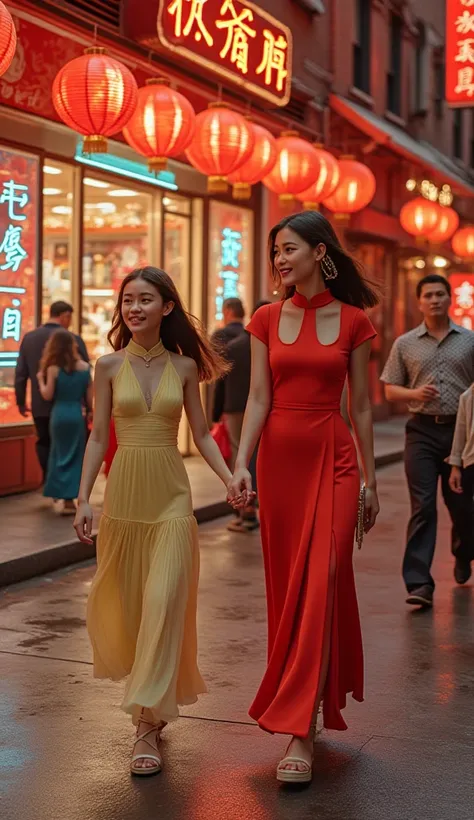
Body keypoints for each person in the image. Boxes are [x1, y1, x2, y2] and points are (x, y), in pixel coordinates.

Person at [227, 211, 380, 784]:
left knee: (326, 575)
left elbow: (361, 406)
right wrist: (241, 464)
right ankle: (305, 711)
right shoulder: (266, 318)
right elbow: (258, 400)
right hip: (280, 463)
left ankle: (299, 729)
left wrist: (370, 479)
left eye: (289, 248)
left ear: (321, 252)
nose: (280, 259)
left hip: (336, 457)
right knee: (289, 586)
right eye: (275, 253)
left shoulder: (355, 322)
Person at [73, 266, 232, 777]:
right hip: (122, 501)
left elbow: (203, 435)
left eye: (145, 299)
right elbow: (98, 438)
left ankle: (144, 725)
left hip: (170, 500)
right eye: (127, 301)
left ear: (167, 307)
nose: (134, 308)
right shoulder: (107, 366)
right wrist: (83, 499)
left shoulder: (185, 369)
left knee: (165, 601)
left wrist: (231, 478)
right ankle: (153, 708)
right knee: (136, 609)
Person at [381, 274, 474, 608]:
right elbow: (389, 389)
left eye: (440, 294)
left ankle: (464, 551)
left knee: (462, 505)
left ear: (449, 299)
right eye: (428, 295)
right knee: (423, 506)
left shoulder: (469, 341)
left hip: (460, 436)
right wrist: (415, 393)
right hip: (420, 431)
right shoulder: (405, 344)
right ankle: (419, 583)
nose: (434, 300)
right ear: (419, 302)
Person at [15, 301, 89, 480]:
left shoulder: (29, 338)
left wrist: (21, 401)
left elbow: (21, 374)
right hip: (70, 406)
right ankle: (66, 484)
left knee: (44, 442)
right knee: (70, 446)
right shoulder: (72, 339)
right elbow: (86, 375)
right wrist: (88, 406)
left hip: (40, 404)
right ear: (65, 316)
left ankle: (49, 479)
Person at [214, 300, 271, 533]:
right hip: (265, 409)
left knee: (241, 455)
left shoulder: (234, 346)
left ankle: (246, 511)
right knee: (257, 456)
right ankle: (252, 507)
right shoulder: (271, 346)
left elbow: (220, 384)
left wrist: (216, 413)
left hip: (235, 408)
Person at [37, 329, 92, 514]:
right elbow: (90, 398)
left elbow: (47, 395)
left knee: (58, 453)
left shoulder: (53, 369)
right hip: (76, 414)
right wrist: (90, 412)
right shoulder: (85, 367)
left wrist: (40, 380)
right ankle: (70, 499)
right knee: (75, 455)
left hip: (59, 413)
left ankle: (57, 491)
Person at [447, 384, 474, 582]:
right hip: (471, 461)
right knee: (464, 513)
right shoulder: (469, 395)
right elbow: (461, 430)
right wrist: (455, 465)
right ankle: (463, 554)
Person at [211, 297, 246, 424]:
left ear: (228, 311)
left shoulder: (220, 336)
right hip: (251, 403)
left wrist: (216, 412)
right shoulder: (251, 336)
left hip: (229, 405)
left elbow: (216, 375)